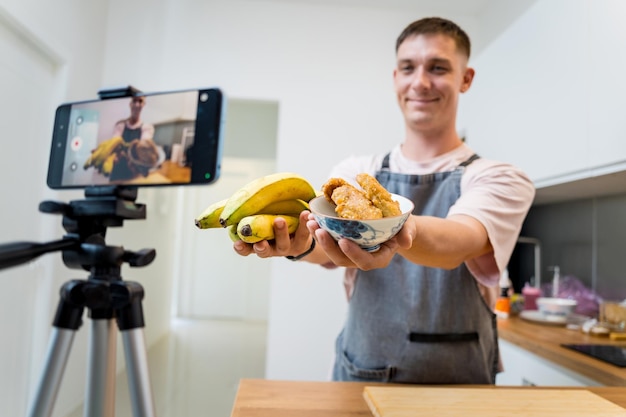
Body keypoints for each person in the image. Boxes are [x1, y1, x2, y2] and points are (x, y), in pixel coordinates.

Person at [233, 17, 535, 384]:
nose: (420, 82)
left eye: (438, 68)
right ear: (396, 78)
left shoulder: (499, 177)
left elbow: (459, 241)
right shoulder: (356, 171)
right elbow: (323, 245)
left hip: (460, 385)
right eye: (408, 68)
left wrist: (389, 226)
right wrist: (299, 245)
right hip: (361, 373)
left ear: (465, 78)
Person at [109, 96, 158, 180]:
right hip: (117, 171)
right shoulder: (120, 125)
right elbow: (114, 144)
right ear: (130, 104)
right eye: (134, 101)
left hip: (134, 172)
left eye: (140, 101)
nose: (137, 104)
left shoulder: (147, 127)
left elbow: (144, 147)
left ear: (143, 105)